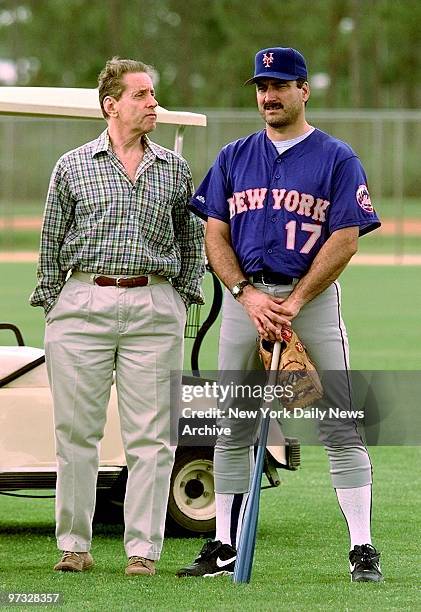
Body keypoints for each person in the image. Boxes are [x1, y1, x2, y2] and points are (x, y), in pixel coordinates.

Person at [176, 47, 383, 582]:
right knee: (232, 428)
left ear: (304, 89)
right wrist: (245, 293)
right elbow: (214, 234)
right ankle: (222, 544)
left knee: (339, 422)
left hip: (307, 302)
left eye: (280, 85)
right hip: (248, 303)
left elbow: (345, 237)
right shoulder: (234, 156)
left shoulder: (336, 157)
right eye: (261, 86)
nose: (269, 95)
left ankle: (362, 549)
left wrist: (293, 302)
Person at [30, 57, 205, 576]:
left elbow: (190, 238)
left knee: (152, 439)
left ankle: (142, 553)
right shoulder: (72, 165)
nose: (153, 103)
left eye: (153, 95)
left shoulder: (174, 169)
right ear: (112, 105)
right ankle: (74, 546)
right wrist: (56, 300)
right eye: (142, 95)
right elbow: (51, 239)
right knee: (76, 434)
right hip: (82, 304)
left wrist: (179, 295)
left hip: (153, 305)